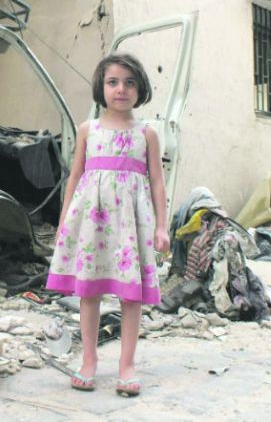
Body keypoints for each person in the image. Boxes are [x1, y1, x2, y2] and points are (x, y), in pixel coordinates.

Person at [45, 53, 170, 397]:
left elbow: (157, 182)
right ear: (101, 88)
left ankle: (127, 366)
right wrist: (63, 222)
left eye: (129, 82)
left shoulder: (147, 133)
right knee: (90, 292)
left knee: (131, 297)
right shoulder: (89, 130)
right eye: (113, 82)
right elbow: (75, 176)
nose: (121, 89)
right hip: (93, 223)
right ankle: (88, 360)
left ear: (140, 89)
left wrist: (162, 226)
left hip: (132, 223)